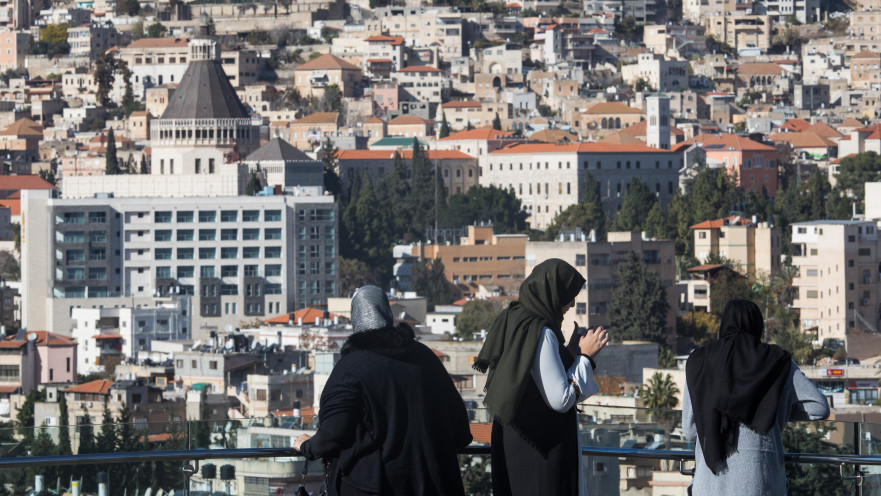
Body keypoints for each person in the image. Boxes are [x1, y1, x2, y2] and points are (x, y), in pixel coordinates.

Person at [294, 285, 472, 496]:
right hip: (435, 481)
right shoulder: (425, 357)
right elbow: (460, 429)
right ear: (388, 314)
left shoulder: (350, 368)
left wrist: (308, 446)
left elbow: (334, 432)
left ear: (355, 318)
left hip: (373, 484)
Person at [473, 258, 608, 496]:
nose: (571, 304)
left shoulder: (515, 317)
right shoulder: (541, 331)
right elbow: (561, 399)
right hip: (541, 447)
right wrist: (586, 357)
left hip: (516, 437)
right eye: (568, 296)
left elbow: (533, 372)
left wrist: (569, 353)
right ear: (553, 295)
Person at [683, 299, 830, 495]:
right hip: (759, 483)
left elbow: (690, 430)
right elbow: (819, 407)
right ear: (758, 326)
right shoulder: (777, 362)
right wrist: (774, 409)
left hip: (709, 485)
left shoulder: (698, 362)